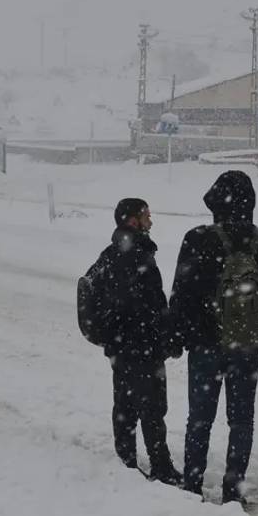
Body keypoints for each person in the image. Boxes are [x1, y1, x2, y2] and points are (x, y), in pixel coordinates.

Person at [164, 171, 258, 504]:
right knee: (242, 420)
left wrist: (175, 337)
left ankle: (192, 485)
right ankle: (233, 490)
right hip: (246, 345)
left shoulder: (197, 239)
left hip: (205, 344)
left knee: (200, 418)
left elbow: (182, 294)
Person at [96, 198, 181, 485]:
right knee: (153, 408)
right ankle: (160, 467)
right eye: (146, 215)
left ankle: (127, 463)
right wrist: (164, 336)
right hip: (142, 346)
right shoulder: (137, 255)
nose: (150, 221)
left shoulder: (111, 253)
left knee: (125, 405)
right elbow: (150, 305)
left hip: (122, 347)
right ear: (133, 220)